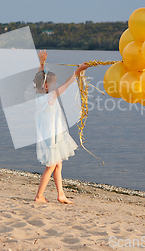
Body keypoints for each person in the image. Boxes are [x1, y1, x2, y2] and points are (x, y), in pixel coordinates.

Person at [33, 50, 89, 204]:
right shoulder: (50, 97)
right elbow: (66, 84)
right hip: (53, 137)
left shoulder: (38, 95)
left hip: (49, 135)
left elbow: (39, 78)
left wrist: (42, 62)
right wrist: (77, 71)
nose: (55, 86)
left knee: (58, 164)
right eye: (52, 84)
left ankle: (61, 194)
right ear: (46, 86)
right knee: (51, 166)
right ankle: (39, 196)